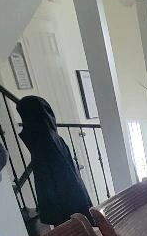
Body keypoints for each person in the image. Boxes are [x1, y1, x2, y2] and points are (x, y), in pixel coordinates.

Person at [17, 96, 92, 227]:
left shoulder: (45, 142)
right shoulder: (51, 138)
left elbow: (52, 178)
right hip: (69, 196)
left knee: (71, 230)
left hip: (64, 199)